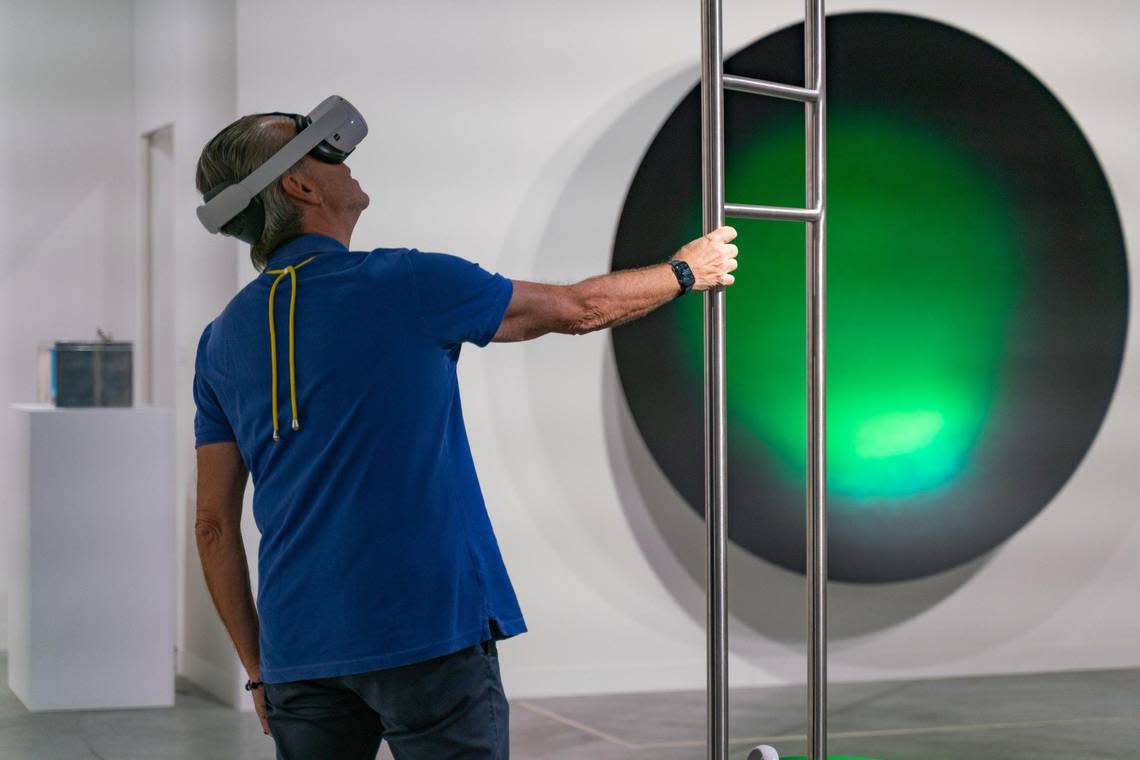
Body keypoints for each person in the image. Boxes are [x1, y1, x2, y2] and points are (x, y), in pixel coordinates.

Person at [192, 111, 739, 760]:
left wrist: (261, 669)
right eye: (327, 155)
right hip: (427, 633)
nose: (347, 162)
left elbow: (213, 527)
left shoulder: (221, 341)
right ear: (301, 189)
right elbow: (578, 309)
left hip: (298, 651)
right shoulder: (404, 282)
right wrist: (686, 271)